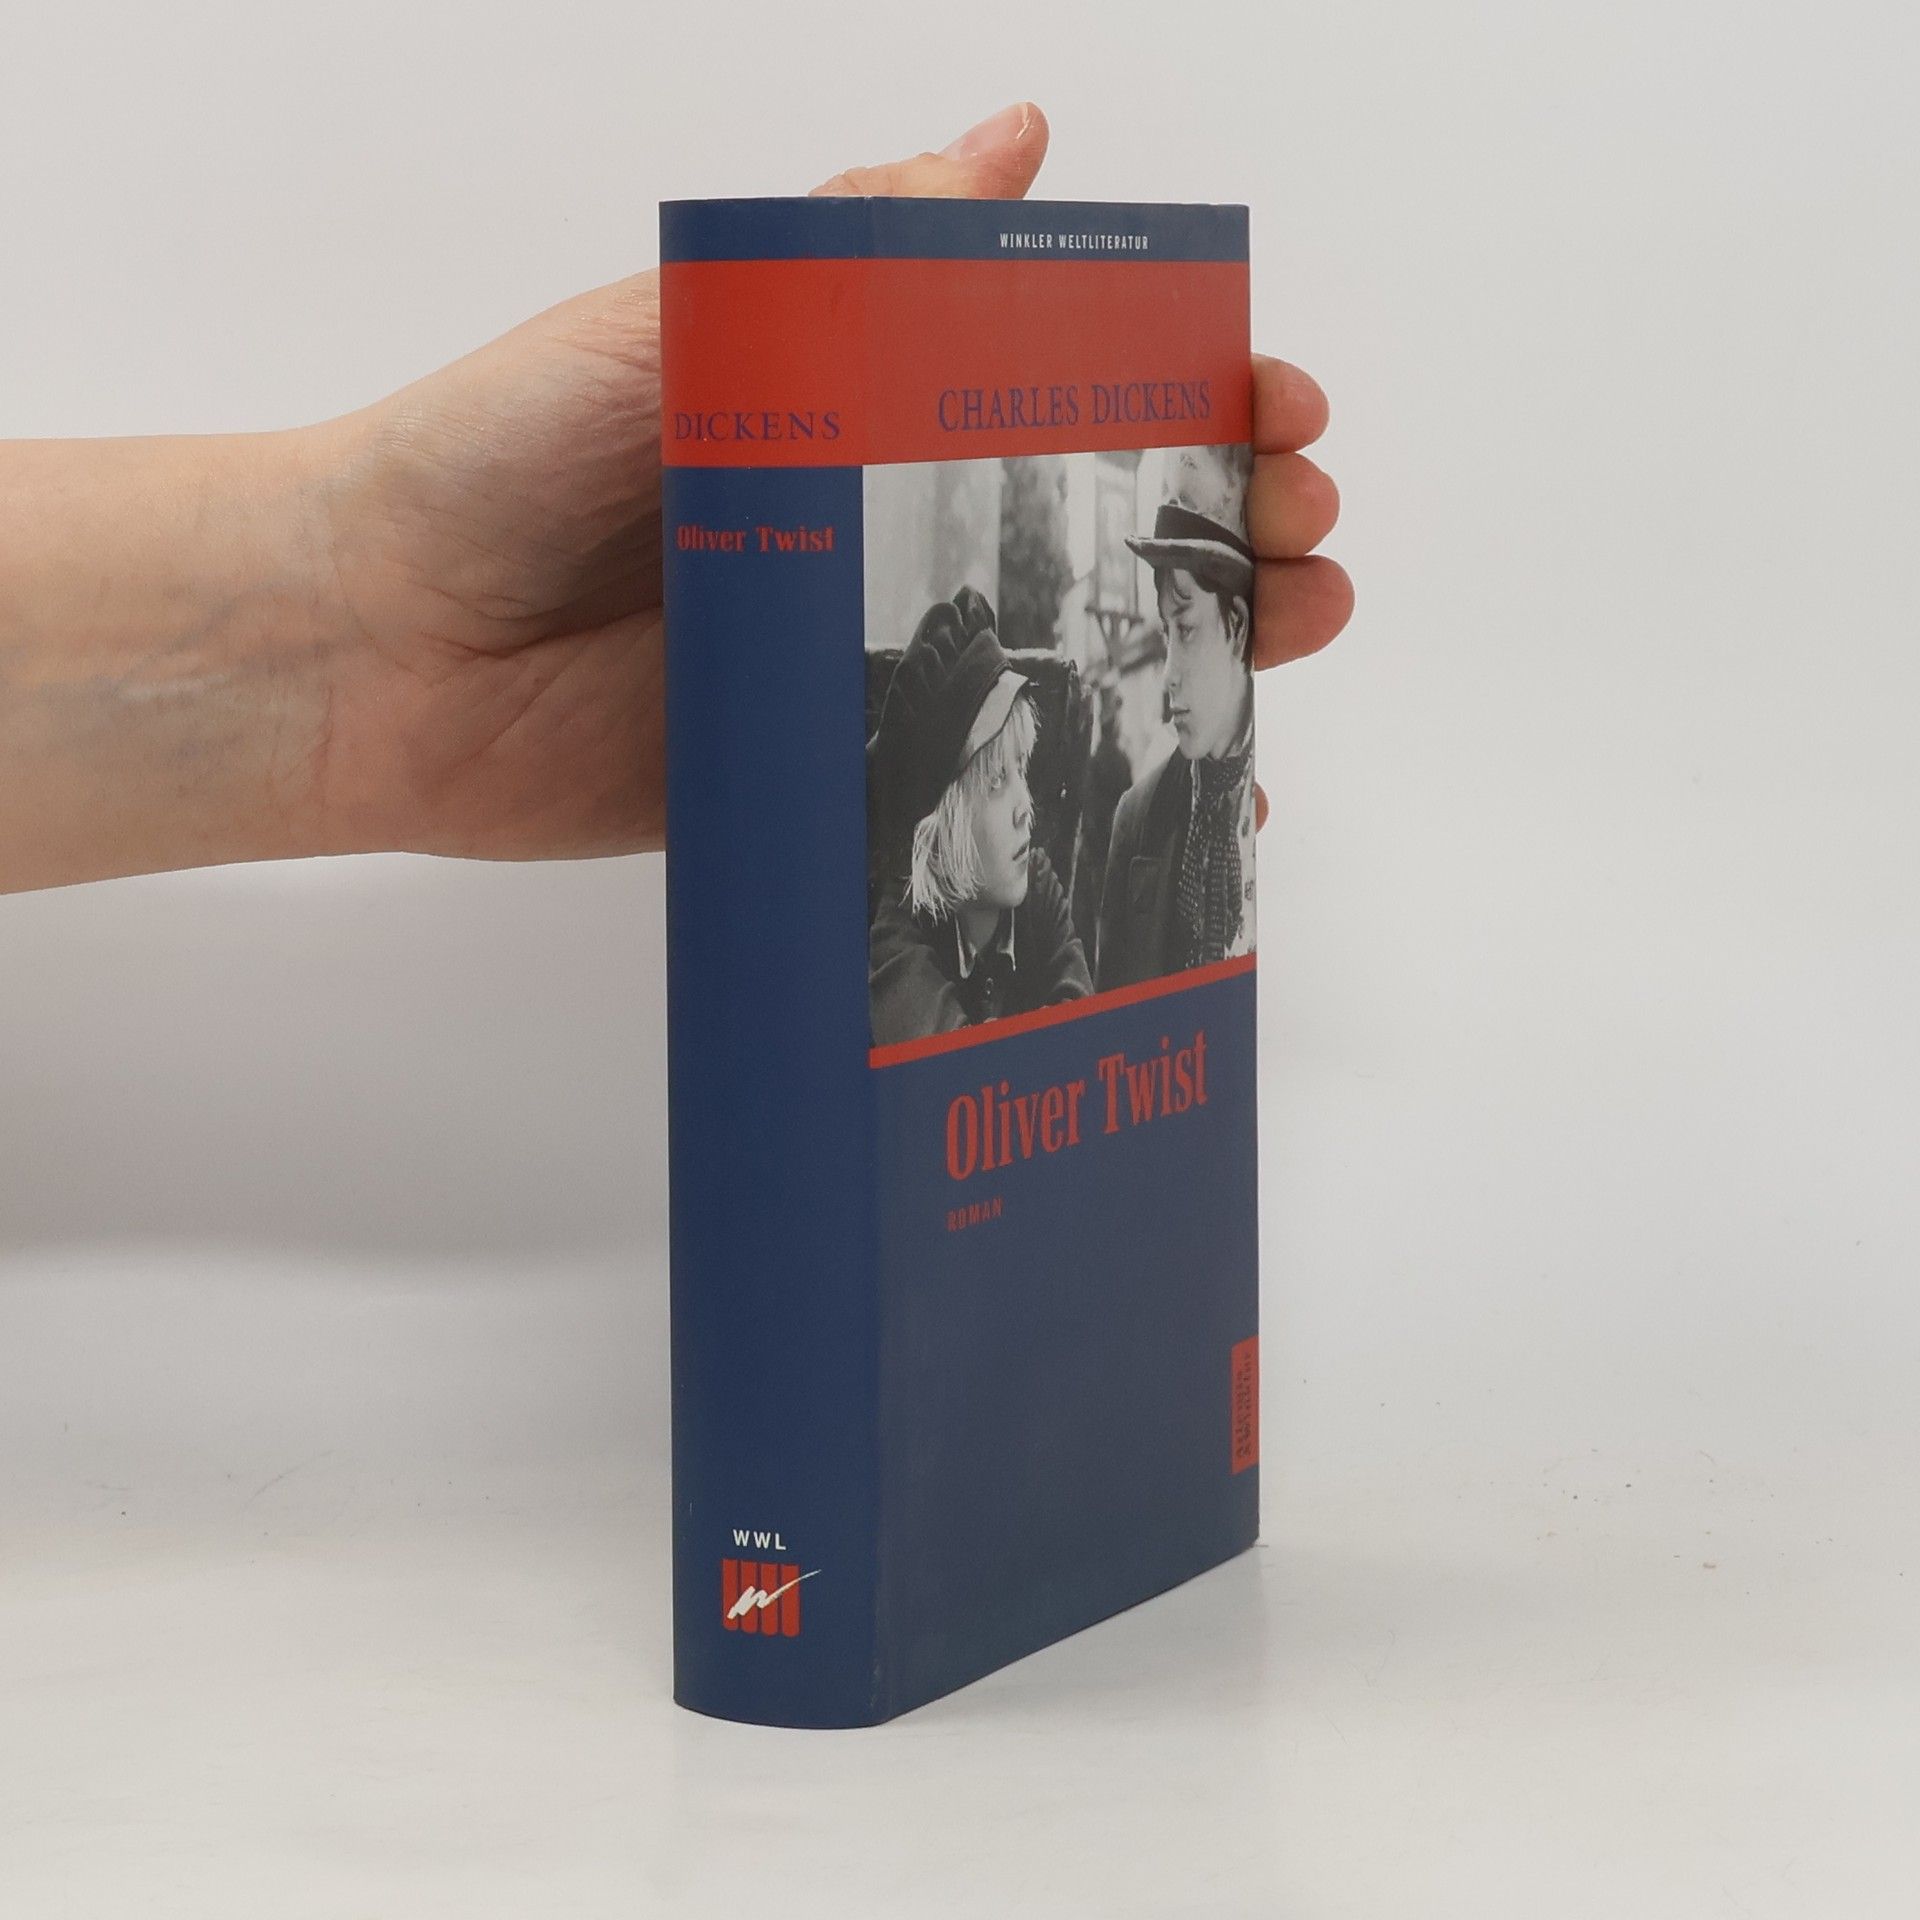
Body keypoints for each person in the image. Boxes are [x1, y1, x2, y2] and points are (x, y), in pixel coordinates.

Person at [0, 102, 1350, 898]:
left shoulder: (1102, 837)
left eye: (1181, 621)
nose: (1025, 801)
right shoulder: (1092, 832)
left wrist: (358, 614)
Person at [867, 587, 1092, 1044]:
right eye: (994, 783)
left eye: (1020, 768)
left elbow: (1082, 1039)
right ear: (942, 824)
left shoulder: (1037, 885)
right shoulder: (896, 930)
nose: (1025, 807)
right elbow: (956, 1072)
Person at [1096, 445, 1261, 989]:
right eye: (1165, 633)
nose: (1168, 674)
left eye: (1185, 629)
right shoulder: (1136, 820)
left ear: (1238, 627)